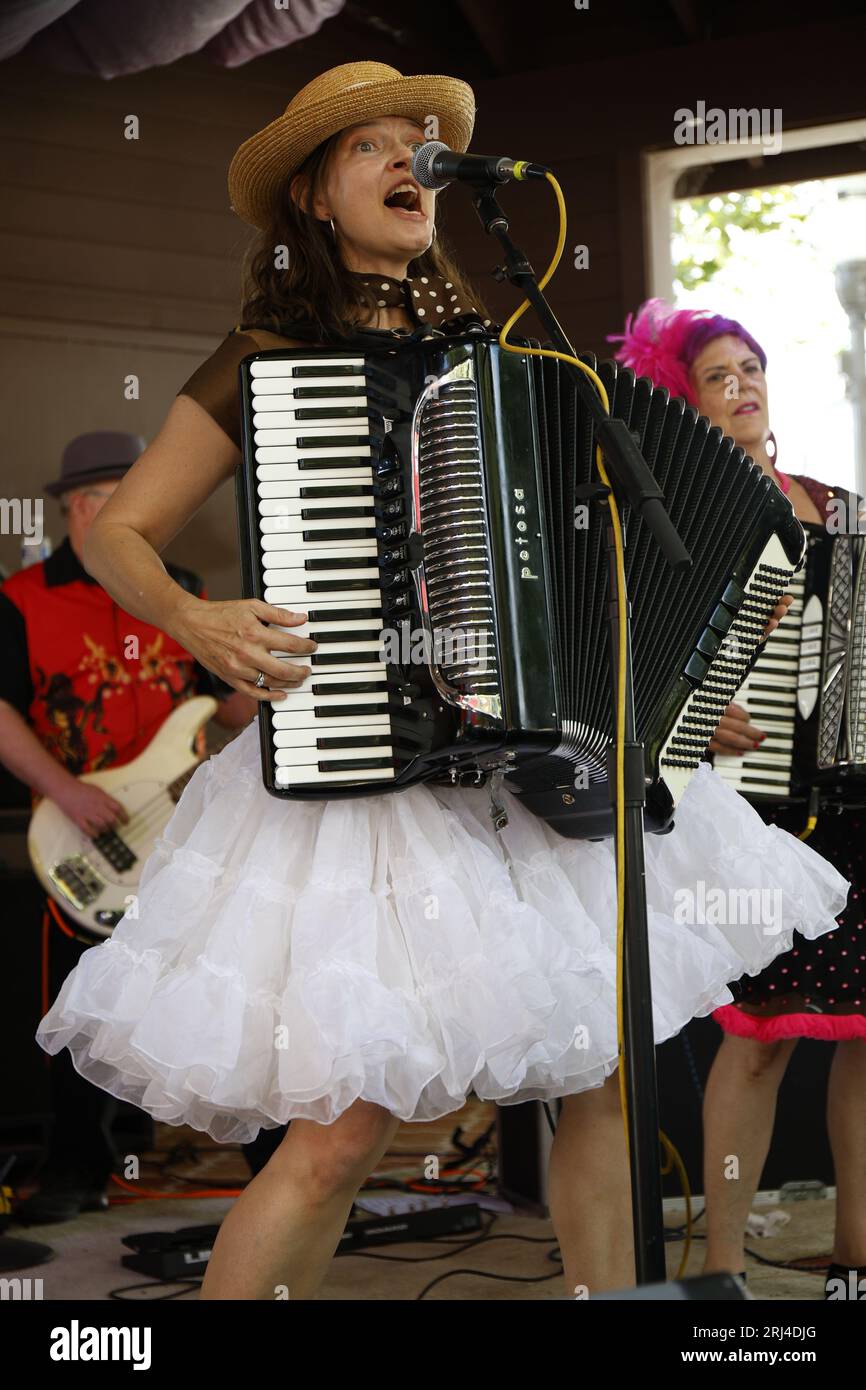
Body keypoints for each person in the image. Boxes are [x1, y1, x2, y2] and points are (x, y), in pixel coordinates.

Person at [34, 63, 849, 1300]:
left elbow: (603, 563)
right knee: (344, 1129)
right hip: (371, 771)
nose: (407, 160)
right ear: (313, 192)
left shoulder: (507, 352)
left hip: (523, 776)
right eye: (368, 147)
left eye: (417, 142)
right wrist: (195, 618)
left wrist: (663, 688)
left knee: (606, 1069)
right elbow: (116, 534)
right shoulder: (272, 352)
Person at [610, 298, 866, 1299]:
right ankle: (719, 1272)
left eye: (750, 367)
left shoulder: (837, 507)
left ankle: (854, 1260)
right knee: (756, 1038)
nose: (742, 386)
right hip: (752, 810)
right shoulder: (672, 522)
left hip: (854, 799)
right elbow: (631, 654)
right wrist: (693, 702)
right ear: (681, 404)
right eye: (716, 376)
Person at [0, 431, 254, 1222]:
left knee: (225, 993)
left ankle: (274, 1167)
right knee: (81, 1000)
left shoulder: (178, 587)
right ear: (81, 508)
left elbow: (223, 705)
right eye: (123, 502)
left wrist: (277, 681)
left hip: (183, 839)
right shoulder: (22, 600)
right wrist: (65, 790)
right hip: (83, 838)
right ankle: (78, 1168)